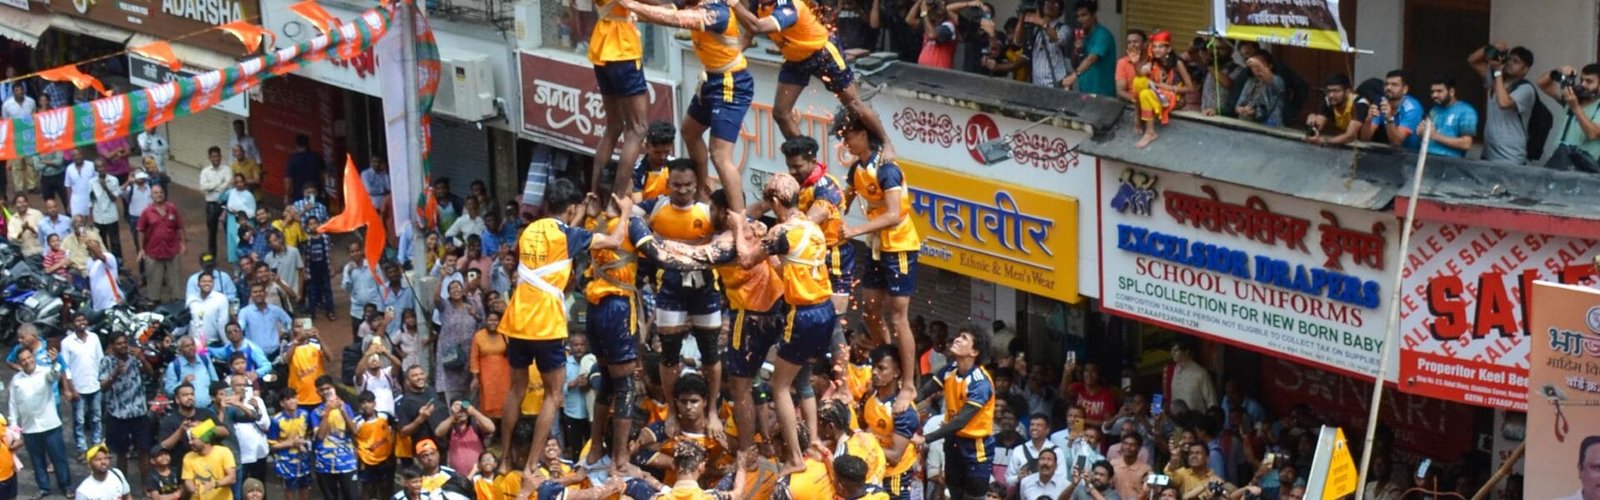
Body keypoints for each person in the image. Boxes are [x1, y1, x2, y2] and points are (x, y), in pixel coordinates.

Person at [496, 178, 631, 476]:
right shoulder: (568, 235)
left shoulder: (530, 230)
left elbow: (559, 241)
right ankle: (531, 465)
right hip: (545, 323)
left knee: (516, 389)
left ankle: (504, 460)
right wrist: (626, 213)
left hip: (517, 318)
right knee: (553, 395)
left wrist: (580, 213)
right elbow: (613, 241)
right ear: (571, 209)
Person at [730, 173, 836, 475]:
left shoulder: (781, 232)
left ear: (775, 201)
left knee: (779, 386)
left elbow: (746, 260)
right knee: (803, 380)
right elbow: (784, 265)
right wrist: (768, 248)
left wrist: (740, 226)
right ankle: (813, 439)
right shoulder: (811, 227)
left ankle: (794, 458)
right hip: (825, 311)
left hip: (802, 315)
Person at [730, 0, 899, 171]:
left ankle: (887, 142)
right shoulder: (758, 6)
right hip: (795, 58)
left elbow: (757, 26)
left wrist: (734, 4)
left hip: (822, 53)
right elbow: (748, 34)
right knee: (781, 114)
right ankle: (809, 159)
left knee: (854, 105)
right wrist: (729, 58)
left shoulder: (789, 6)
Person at [620, 0, 754, 214]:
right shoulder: (695, 3)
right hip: (711, 78)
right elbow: (666, 8)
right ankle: (703, 189)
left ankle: (740, 218)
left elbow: (673, 18)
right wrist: (627, 10)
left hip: (731, 83)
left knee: (720, 155)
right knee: (690, 131)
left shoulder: (716, 12)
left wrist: (631, 5)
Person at [838, 112, 921, 413]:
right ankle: (888, 355)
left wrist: (855, 231)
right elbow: (841, 204)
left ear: (864, 134)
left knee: (899, 315)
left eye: (848, 134)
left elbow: (894, 213)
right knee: (870, 308)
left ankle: (908, 383)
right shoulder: (855, 171)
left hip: (899, 245)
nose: (844, 140)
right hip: (876, 245)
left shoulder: (886, 169)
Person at [8, 348, 73, 497]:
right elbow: (13, 404)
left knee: (59, 458)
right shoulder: (16, 380)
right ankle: (43, 487)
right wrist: (14, 429)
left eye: (29, 357)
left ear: (33, 357)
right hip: (30, 428)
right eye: (23, 360)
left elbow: (55, 375)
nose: (27, 361)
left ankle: (66, 485)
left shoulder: (45, 372)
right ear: (19, 363)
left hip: (50, 425)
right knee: (37, 461)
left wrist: (56, 361)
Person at [1468, 43, 1538, 164]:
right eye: (1509, 59)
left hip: (1510, 156)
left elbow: (1504, 103)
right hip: (1488, 152)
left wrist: (1498, 72)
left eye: (1516, 61)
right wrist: (1491, 48)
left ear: (1525, 69)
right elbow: (1473, 60)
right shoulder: (1495, 79)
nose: (1510, 63)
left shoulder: (1526, 89)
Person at [61, 312, 107, 456]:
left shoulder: (94, 338)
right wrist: (70, 388)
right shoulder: (67, 342)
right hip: (78, 388)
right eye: (78, 320)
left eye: (83, 319)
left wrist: (102, 380)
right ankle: (82, 449)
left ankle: (97, 445)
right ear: (72, 324)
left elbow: (101, 360)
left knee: (97, 418)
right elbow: (65, 367)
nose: (81, 322)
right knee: (79, 420)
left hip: (95, 385)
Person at [1541, 64, 1600, 162]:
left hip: (1584, 168)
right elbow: (1543, 84)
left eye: (1589, 82)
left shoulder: (1574, 102)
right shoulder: (1573, 99)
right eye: (1581, 80)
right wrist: (1558, 71)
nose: (1583, 85)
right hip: (1559, 161)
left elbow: (1592, 133)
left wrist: (1575, 107)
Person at [139, 184, 188, 303]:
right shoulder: (147, 212)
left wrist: (183, 243)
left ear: (164, 194)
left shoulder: (172, 209)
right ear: (151, 195)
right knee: (154, 280)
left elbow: (179, 227)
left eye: (161, 192)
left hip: (172, 250)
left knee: (175, 279)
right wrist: (141, 249)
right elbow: (141, 231)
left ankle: (176, 302)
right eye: (155, 193)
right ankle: (155, 302)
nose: (158, 195)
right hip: (153, 251)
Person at [223, 374, 270, 490]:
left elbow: (266, 425)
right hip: (240, 455)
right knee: (241, 488)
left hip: (258, 452)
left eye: (244, 385)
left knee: (259, 487)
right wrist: (234, 403)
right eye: (238, 385)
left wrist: (256, 407)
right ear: (231, 387)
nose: (242, 388)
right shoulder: (226, 404)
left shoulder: (257, 400)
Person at [1361, 70, 1425, 151]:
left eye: (1394, 85)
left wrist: (1389, 118)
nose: (1389, 88)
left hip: (1413, 154)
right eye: (1386, 84)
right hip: (1393, 152)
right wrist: (1368, 120)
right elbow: (1365, 138)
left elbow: (1397, 142)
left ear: (1405, 89)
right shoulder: (1381, 102)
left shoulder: (1412, 108)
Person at [267, 390, 314, 500]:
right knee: (289, 490)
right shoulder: (276, 420)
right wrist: (291, 443)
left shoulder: (305, 415)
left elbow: (310, 435)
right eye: (288, 399)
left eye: (293, 398)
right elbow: (272, 446)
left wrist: (304, 442)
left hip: (304, 459)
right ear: (282, 403)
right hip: (286, 462)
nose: (292, 401)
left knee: (305, 487)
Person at [353, 390, 398, 500]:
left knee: (385, 485)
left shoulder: (384, 416)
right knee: (367, 487)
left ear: (374, 403)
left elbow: (395, 427)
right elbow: (353, 439)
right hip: (367, 460)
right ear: (360, 406)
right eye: (363, 402)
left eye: (369, 401)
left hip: (384, 458)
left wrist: (392, 446)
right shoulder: (357, 422)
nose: (366, 405)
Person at [1305, 74, 1372, 147]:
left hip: (1375, 143)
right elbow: (1317, 127)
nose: (1331, 95)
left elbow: (1350, 136)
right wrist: (1311, 123)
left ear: (1347, 92)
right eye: (1328, 91)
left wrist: (1324, 141)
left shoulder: (1359, 104)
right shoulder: (1328, 101)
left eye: (1336, 91)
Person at [1422, 75, 1479, 158]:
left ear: (1451, 92)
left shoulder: (1466, 111)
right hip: (1428, 159)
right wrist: (1422, 133)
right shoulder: (1434, 110)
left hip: (1450, 164)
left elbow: (1466, 144)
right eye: (1432, 92)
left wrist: (1435, 136)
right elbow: (1429, 136)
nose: (1434, 95)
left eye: (1439, 91)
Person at [469, 310, 512, 420]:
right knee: (488, 400)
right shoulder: (478, 336)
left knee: (505, 399)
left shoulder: (506, 335)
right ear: (486, 321)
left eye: (496, 320)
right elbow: (474, 357)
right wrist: (475, 377)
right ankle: (489, 429)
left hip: (504, 374)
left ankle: (503, 428)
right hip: (486, 375)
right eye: (490, 320)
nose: (493, 323)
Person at [237, 284, 292, 362]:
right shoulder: (245, 312)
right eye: (255, 292)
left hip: (274, 353)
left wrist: (284, 334)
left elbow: (289, 323)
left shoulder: (275, 310)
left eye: (260, 291)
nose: (258, 294)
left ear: (265, 294)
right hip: (255, 354)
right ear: (251, 295)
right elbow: (240, 327)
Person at [183, 423, 238, 500]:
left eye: (193, 439)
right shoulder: (188, 457)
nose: (190, 442)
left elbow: (232, 478)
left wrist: (214, 484)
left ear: (204, 439)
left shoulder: (223, 452)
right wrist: (192, 488)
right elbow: (188, 479)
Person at [197, 146, 232, 256]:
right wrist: (218, 184)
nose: (215, 158)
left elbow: (228, 184)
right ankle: (212, 255)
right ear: (209, 158)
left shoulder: (227, 169)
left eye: (217, 156)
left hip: (225, 205)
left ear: (221, 156)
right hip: (211, 204)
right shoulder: (205, 171)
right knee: (212, 232)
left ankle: (231, 254)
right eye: (213, 156)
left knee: (229, 230)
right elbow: (203, 187)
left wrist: (212, 187)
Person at [1165, 339, 1217, 412]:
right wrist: (1156, 412)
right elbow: (1162, 395)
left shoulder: (1200, 373)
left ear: (1186, 351)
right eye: (1171, 350)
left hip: (1195, 420)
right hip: (1174, 420)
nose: (1172, 353)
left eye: (1176, 350)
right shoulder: (1170, 370)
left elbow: (1211, 401)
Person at [89, 159, 124, 260]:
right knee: (101, 240)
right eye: (99, 167)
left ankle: (118, 262)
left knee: (115, 241)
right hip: (98, 216)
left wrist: (105, 187)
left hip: (111, 215)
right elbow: (90, 200)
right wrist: (91, 217)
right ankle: (105, 260)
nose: (101, 169)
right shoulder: (91, 182)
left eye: (103, 166)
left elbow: (114, 198)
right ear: (96, 169)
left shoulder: (113, 180)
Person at [188, 274, 232, 349]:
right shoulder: (191, 299)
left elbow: (222, 323)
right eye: (203, 281)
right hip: (194, 344)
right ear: (198, 284)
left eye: (209, 281)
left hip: (213, 344)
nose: (206, 283)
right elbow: (186, 321)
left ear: (213, 283)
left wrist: (227, 344)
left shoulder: (221, 299)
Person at [220, 174, 255, 265]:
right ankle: (235, 267)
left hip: (244, 221)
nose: (239, 184)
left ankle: (246, 265)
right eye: (236, 182)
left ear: (244, 182)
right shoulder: (231, 192)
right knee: (232, 243)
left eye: (241, 182)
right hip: (232, 220)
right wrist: (224, 187)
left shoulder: (249, 195)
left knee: (243, 243)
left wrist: (240, 212)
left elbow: (252, 212)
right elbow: (220, 198)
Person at [285, 135, 327, 202]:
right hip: (315, 191)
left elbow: (288, 180)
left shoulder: (293, 160)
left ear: (297, 145)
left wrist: (287, 195)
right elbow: (323, 175)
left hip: (299, 194)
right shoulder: (317, 157)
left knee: (301, 211)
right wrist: (322, 189)